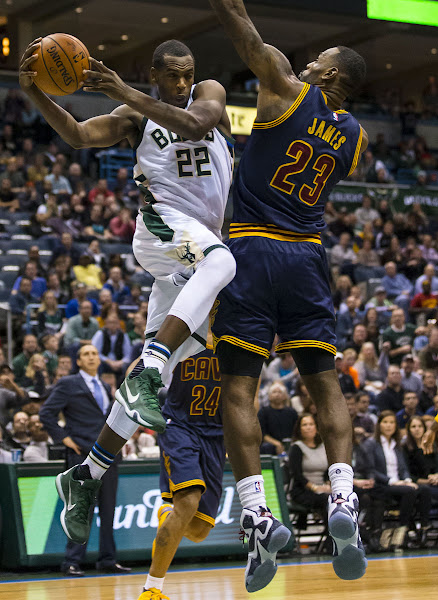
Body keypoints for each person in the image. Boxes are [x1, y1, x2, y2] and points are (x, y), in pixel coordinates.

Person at [208, 0, 368, 585]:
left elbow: (235, 18)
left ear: (328, 77)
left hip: (252, 251)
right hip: (307, 258)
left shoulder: (282, 84)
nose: (304, 63)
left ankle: (255, 513)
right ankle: (344, 501)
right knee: (325, 385)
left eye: (316, 61)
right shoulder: (356, 139)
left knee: (239, 392)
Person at [20, 36, 235, 438]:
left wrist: (121, 89)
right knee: (222, 262)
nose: (182, 84)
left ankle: (87, 473)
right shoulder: (134, 118)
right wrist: (34, 92)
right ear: (154, 75)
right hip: (162, 227)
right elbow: (79, 135)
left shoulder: (209, 94)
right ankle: (152, 365)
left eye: (187, 75)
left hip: (198, 240)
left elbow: (195, 124)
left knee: (165, 365)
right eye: (172, 76)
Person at [140, 340, 226, 599]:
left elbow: (249, 396)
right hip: (180, 425)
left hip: (217, 434)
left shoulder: (241, 332)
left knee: (199, 531)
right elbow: (142, 364)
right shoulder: (185, 328)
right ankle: (152, 588)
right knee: (188, 503)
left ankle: (167, 515)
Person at [39, 345, 130, 576]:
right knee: (80, 510)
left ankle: (108, 559)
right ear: (78, 361)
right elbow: (46, 413)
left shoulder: (103, 385)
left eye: (94, 353)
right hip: (81, 457)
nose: (91, 357)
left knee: (109, 510)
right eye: (86, 354)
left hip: (108, 456)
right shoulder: (68, 383)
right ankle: (71, 561)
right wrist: (63, 439)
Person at [363, 411, 431, 550]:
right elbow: (370, 469)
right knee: (410, 491)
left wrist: (406, 479)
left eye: (392, 422)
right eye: (385, 422)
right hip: (382, 484)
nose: (389, 426)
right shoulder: (371, 443)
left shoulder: (397, 444)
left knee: (424, 490)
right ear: (379, 425)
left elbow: (403, 468)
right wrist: (392, 481)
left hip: (399, 484)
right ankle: (402, 529)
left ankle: (423, 530)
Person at [288, 413, 330, 520]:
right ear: (299, 429)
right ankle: (332, 533)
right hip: (303, 490)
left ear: (316, 427)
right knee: (326, 499)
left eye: (311, 424)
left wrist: (327, 484)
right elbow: (297, 475)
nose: (308, 427)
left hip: (323, 487)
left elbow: (327, 471)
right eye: (304, 425)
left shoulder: (323, 446)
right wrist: (314, 487)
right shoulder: (296, 448)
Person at [258, 381, 298, 455]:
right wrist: (277, 444)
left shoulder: (292, 412)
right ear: (269, 396)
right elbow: (262, 434)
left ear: (285, 396)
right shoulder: (263, 412)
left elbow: (296, 431)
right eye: (274, 392)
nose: (277, 394)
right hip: (270, 445)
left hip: (290, 442)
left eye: (280, 392)